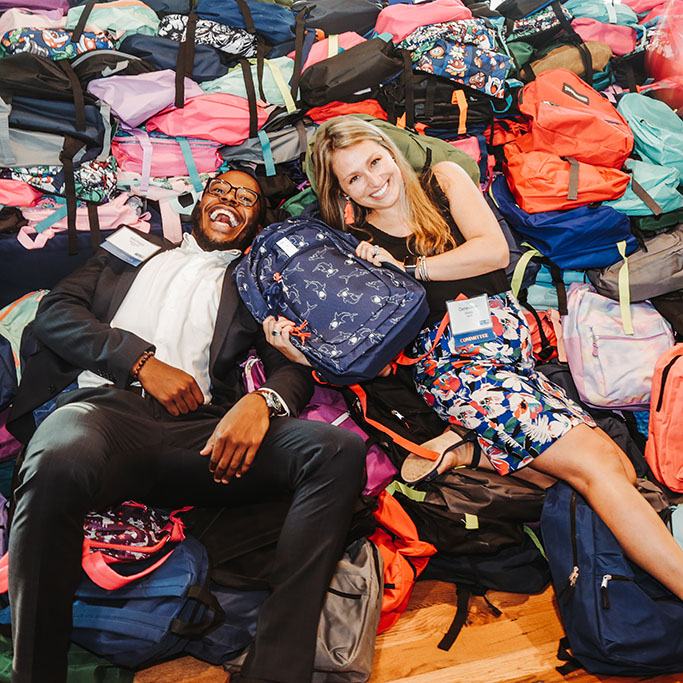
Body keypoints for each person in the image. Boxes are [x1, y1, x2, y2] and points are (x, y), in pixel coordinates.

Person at [266, 115, 683, 603]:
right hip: (459, 370)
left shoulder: (443, 180)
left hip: (509, 348)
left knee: (617, 468)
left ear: (391, 150)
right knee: (600, 470)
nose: (375, 182)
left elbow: (491, 254)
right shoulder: (358, 248)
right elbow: (369, 354)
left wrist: (409, 267)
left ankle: (469, 450)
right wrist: (297, 349)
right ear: (340, 192)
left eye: (376, 162)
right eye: (354, 178)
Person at [6, 169, 366, 683]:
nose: (231, 200)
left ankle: (276, 670)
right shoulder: (134, 247)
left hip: (198, 435)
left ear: (256, 220)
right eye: (222, 189)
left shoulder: (252, 286)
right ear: (200, 203)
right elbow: (55, 312)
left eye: (246, 198)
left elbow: (291, 367)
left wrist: (262, 402)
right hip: (105, 414)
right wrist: (140, 362)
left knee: (336, 452)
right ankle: (36, 674)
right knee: (57, 455)